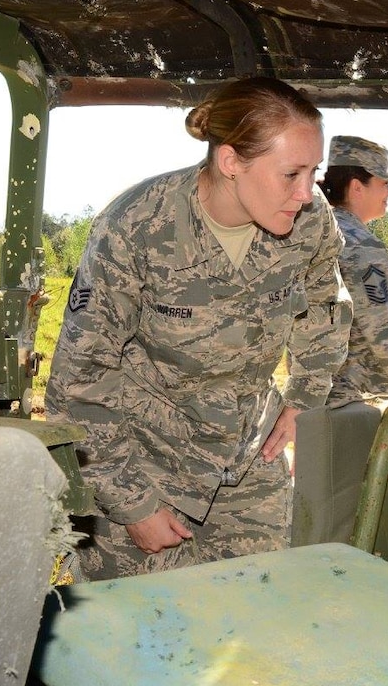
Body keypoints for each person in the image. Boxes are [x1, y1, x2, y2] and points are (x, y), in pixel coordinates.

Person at [45, 77, 353, 580]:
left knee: (250, 626)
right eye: (291, 173)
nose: (306, 192)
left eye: (313, 172)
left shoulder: (311, 223)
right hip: (143, 462)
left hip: (247, 468)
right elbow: (79, 382)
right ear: (231, 162)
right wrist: (132, 504)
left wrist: (305, 397)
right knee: (138, 637)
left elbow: (324, 309)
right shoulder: (139, 225)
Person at [317, 135, 388, 406]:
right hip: (354, 399)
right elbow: (385, 329)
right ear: (357, 187)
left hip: (318, 393)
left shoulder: (321, 232)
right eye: (384, 183)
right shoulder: (360, 245)